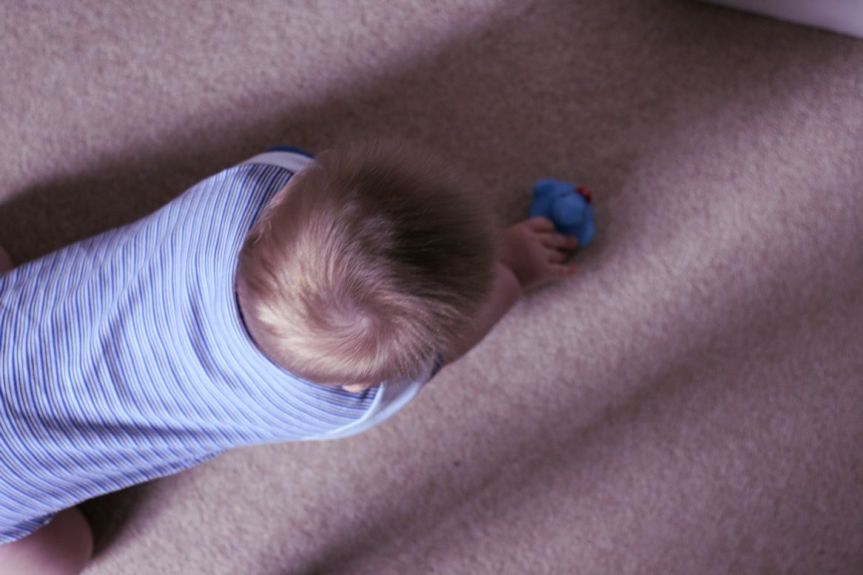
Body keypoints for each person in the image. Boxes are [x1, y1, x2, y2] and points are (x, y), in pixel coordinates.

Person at [0, 140, 579, 574]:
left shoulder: (251, 184)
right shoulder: (336, 406)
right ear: (360, 384)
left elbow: (306, 170)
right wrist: (512, 271)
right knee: (64, 557)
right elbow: (445, 348)